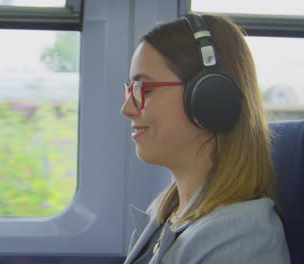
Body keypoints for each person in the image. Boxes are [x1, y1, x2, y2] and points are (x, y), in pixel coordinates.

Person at [121, 13, 290, 264]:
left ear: (209, 97)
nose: (127, 108)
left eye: (145, 89)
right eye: (130, 89)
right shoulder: (165, 212)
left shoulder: (242, 237)